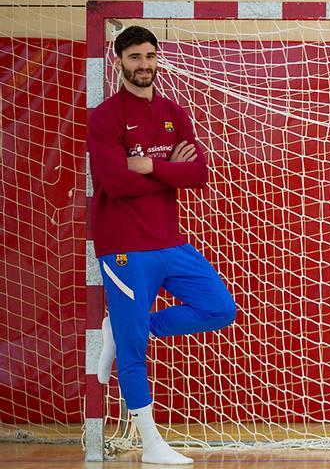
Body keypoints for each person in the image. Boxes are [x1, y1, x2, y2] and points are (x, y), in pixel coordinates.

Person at [88, 25, 237, 465]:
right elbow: (113, 183)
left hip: (169, 240)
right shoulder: (105, 117)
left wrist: (149, 164)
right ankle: (151, 444)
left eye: (150, 56)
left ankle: (127, 326)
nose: (144, 65)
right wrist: (167, 169)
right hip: (124, 247)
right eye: (135, 57)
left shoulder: (173, 111)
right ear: (119, 62)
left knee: (219, 308)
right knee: (133, 356)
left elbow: (198, 175)